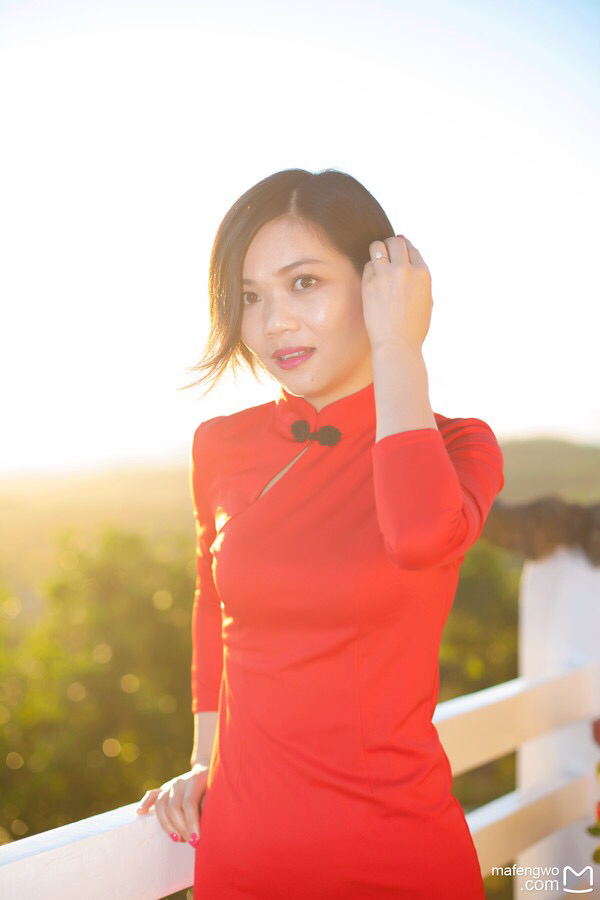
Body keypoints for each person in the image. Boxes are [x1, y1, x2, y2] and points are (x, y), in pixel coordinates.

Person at [136, 168, 504, 898]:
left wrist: (399, 348)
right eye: (251, 297)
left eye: (304, 283)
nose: (274, 323)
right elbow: (215, 606)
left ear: (377, 283)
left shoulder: (459, 447)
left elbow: (417, 540)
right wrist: (205, 758)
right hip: (240, 857)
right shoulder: (220, 445)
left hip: (396, 858)